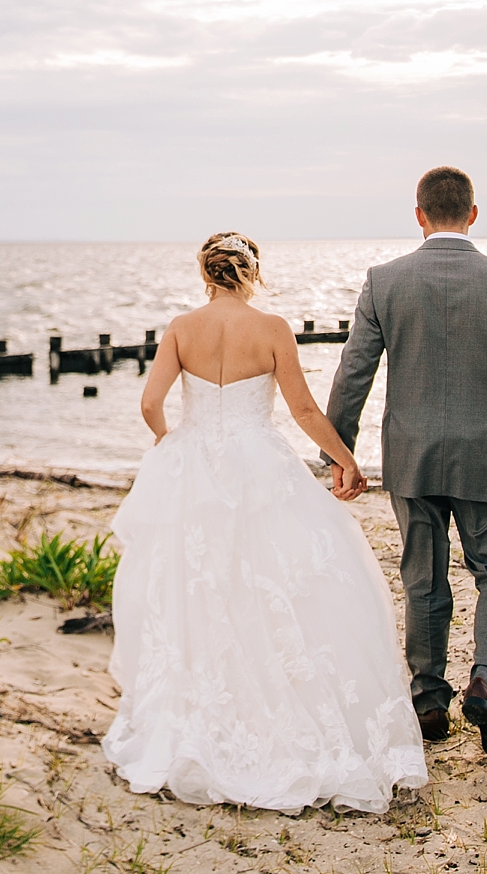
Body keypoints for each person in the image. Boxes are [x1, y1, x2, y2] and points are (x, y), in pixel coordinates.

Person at [101, 232, 428, 813]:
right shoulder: (274, 328)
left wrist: (170, 442)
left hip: (196, 465)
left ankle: (200, 720)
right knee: (281, 584)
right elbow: (303, 410)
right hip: (260, 463)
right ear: (252, 272)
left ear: (206, 273)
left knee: (199, 591)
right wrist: (344, 459)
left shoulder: (181, 327)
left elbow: (151, 403)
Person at [325, 166, 487, 768]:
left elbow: (354, 372)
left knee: (423, 578)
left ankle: (429, 699)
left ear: (418, 215)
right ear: (473, 213)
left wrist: (340, 455)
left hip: (411, 455)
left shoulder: (385, 282)